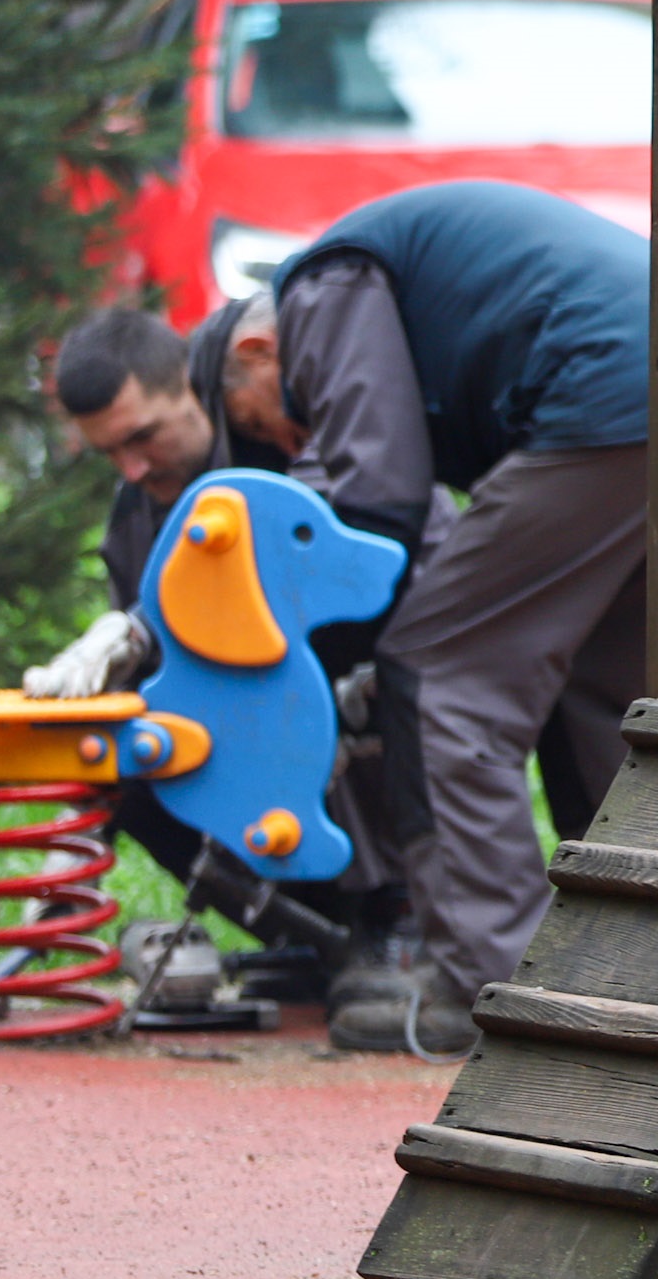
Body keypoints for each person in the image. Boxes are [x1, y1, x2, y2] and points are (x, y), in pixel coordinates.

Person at [203, 179, 651, 1054]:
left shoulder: (319, 285)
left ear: (261, 352)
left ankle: (493, 983)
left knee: (439, 673)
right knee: (601, 691)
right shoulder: (393, 281)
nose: (290, 448)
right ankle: (639, 960)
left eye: (264, 428)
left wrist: (303, 633)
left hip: (595, 392)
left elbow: (379, 493)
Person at [38, 304, 396, 985]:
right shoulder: (133, 525)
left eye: (142, 436)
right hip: (256, 752)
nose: (134, 467)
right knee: (144, 773)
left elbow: (310, 561)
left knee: (355, 711)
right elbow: (145, 688)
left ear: (191, 390)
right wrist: (71, 832)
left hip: (373, 694)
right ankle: (312, 936)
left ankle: (400, 924)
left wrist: (147, 618)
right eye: (111, 451)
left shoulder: (283, 436)